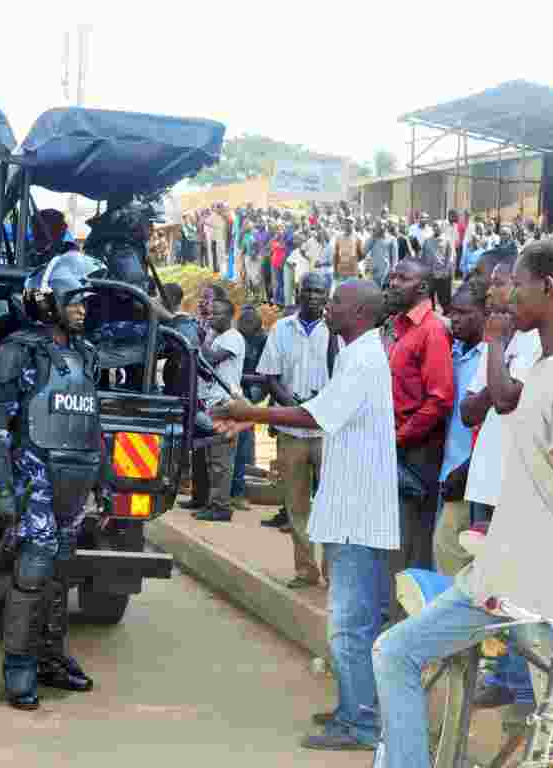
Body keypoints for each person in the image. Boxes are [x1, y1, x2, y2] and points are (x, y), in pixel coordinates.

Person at [373, 237, 553, 768]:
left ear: (549, 289)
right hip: (500, 577)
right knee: (395, 651)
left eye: (520, 286)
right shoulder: (543, 370)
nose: (506, 298)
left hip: (549, 593)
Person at [213, 280, 397, 751]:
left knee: (348, 624)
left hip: (359, 514)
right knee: (356, 622)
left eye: (335, 300)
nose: (326, 306)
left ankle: (360, 724)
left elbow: (315, 416)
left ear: (356, 311)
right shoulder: (359, 353)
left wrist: (251, 413)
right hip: (354, 510)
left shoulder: (362, 358)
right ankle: (352, 709)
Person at [0, 251, 106, 711]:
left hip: (75, 481)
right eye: (75, 300)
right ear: (49, 301)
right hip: (33, 480)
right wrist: (2, 491)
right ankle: (19, 668)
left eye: (84, 302)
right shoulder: (18, 349)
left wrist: (104, 481)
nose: (82, 308)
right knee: (32, 572)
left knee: (61, 573)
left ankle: (52, 658)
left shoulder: (84, 354)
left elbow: (93, 422)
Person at [459, 250, 542, 718]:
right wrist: (496, 364)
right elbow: (470, 411)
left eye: (500, 282)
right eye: (490, 283)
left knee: (520, 592)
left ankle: (525, 690)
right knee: (489, 587)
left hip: (518, 485)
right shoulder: (502, 342)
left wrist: (494, 350)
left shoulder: (533, 344)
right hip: (486, 481)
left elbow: (507, 400)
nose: (491, 290)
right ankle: (504, 678)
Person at [256, 274, 333, 588]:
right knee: (296, 503)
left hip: (328, 431)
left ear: (327, 296)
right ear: (299, 293)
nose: (314, 296)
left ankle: (333, 572)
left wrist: (320, 405)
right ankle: (306, 570)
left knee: (331, 503)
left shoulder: (337, 330)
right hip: (291, 430)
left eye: (320, 292)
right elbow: (270, 377)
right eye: (309, 290)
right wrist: (293, 406)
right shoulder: (281, 329)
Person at [385, 260, 454, 581]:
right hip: (399, 443)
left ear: (423, 288)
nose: (393, 282)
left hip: (417, 451)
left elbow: (439, 398)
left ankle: (406, 618)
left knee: (412, 540)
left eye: (403, 278)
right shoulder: (399, 327)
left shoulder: (432, 330)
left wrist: (400, 437)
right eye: (393, 276)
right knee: (395, 537)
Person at [431, 282, 486, 577]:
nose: (456, 319)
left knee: (451, 555)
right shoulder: (452, 351)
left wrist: (465, 470)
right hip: (446, 470)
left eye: (465, 313)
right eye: (453, 313)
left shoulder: (490, 358)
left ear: (484, 314)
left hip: (469, 476)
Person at [193, 298, 245, 522]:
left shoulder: (233, 338)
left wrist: (201, 338)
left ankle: (221, 507)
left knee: (221, 461)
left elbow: (211, 360)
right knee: (212, 460)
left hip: (226, 404)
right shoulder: (218, 337)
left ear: (229, 316)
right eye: (210, 314)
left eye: (217, 314)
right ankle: (213, 503)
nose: (211, 317)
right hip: (212, 403)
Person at [230, 307, 268, 510]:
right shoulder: (234, 337)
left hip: (248, 396)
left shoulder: (263, 341)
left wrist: (251, 398)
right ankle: (229, 491)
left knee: (243, 447)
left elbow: (266, 375)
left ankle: (239, 492)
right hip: (229, 395)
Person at [421, 221, 454, 312]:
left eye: (437, 226)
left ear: (441, 228)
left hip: (442, 275)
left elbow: (450, 257)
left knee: (444, 300)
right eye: (434, 226)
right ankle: (430, 317)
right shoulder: (427, 241)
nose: (435, 228)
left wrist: (445, 270)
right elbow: (423, 257)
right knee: (428, 299)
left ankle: (447, 317)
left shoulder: (447, 240)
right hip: (429, 274)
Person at [333, 219, 363, 293]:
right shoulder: (338, 237)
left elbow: (362, 254)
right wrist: (335, 270)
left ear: (353, 225)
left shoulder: (358, 237)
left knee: (352, 292)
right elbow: (336, 254)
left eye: (350, 223)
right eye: (346, 223)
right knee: (341, 292)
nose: (347, 225)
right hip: (341, 271)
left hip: (352, 271)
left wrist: (354, 261)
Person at [364, 222, 395, 289]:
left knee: (380, 289)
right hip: (373, 269)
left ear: (385, 227)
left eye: (381, 226)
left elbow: (394, 256)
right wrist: (372, 237)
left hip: (385, 269)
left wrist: (393, 269)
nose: (379, 229)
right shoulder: (374, 238)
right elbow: (365, 250)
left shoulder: (392, 239)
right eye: (378, 227)